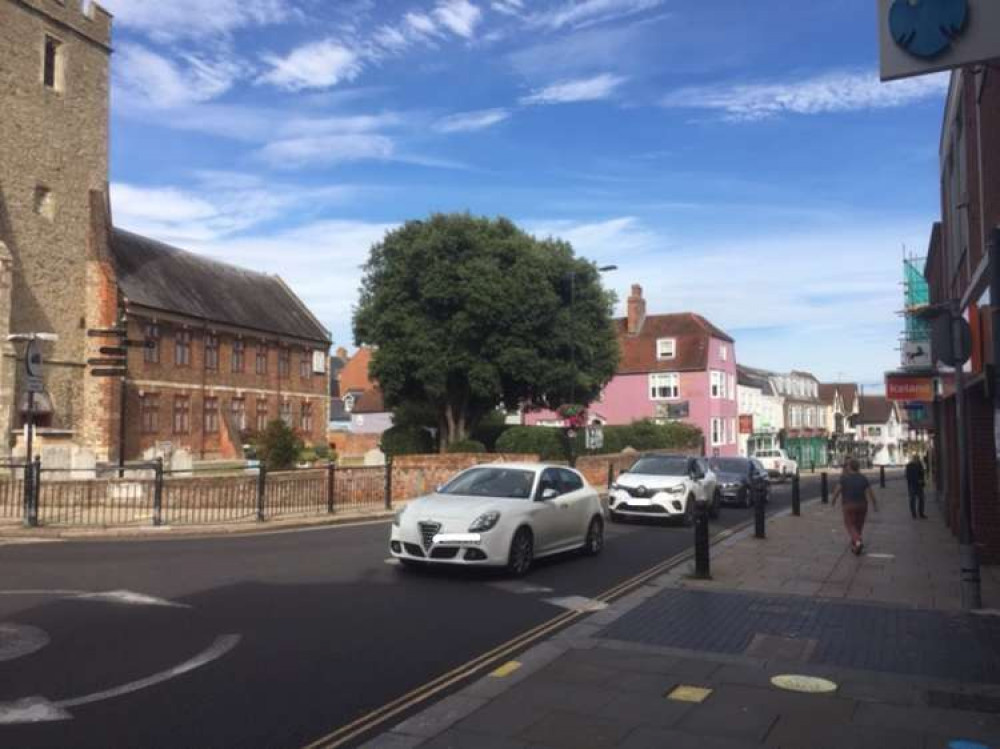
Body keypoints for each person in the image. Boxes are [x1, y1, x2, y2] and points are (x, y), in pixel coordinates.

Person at [831, 458, 878, 555]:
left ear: (849, 467)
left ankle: (857, 541)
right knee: (858, 526)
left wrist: (833, 500)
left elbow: (837, 491)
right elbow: (870, 493)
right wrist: (874, 504)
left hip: (848, 505)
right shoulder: (863, 478)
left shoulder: (844, 478)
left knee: (850, 525)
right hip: (862, 505)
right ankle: (856, 546)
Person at [906, 454, 927, 519]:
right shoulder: (909, 466)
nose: (917, 460)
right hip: (912, 485)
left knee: (921, 499)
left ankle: (921, 513)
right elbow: (908, 476)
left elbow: (922, 474)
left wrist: (922, 482)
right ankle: (914, 514)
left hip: (919, 485)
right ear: (913, 459)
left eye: (918, 459)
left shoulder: (920, 465)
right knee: (912, 500)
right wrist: (916, 481)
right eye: (916, 459)